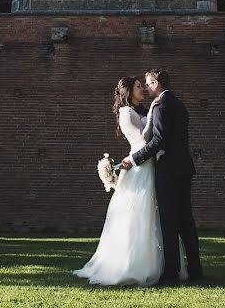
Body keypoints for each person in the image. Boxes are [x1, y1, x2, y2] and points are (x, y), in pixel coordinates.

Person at [74, 76, 187, 286]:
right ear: (128, 91)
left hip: (151, 165)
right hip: (138, 168)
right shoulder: (126, 113)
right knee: (137, 215)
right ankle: (131, 265)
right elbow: (141, 140)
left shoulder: (142, 111)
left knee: (157, 216)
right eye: (138, 86)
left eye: (143, 85)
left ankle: (163, 266)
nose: (143, 89)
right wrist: (152, 111)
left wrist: (150, 112)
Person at [121, 68, 202, 285]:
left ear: (156, 82)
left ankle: (171, 273)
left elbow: (159, 142)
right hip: (185, 168)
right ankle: (196, 271)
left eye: (147, 83)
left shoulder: (161, 106)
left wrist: (134, 159)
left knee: (169, 223)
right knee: (187, 222)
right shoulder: (179, 104)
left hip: (168, 171)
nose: (146, 88)